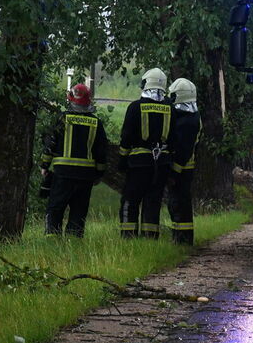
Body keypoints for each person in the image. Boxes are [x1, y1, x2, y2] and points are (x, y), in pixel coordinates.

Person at [40, 83, 107, 238]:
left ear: (70, 99)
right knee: (79, 211)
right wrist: (99, 173)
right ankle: (74, 242)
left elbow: (50, 144)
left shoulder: (62, 119)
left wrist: (44, 165)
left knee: (55, 208)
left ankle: (52, 240)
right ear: (88, 101)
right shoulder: (96, 123)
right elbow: (101, 152)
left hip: (62, 174)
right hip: (85, 176)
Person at [118, 68, 172, 239]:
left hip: (138, 164)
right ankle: (151, 237)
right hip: (162, 163)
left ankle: (129, 236)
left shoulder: (135, 107)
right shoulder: (171, 108)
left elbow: (126, 136)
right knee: (153, 201)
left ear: (145, 83)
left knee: (130, 200)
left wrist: (122, 159)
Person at [166, 78, 201, 245]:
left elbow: (184, 149)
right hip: (184, 168)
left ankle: (183, 240)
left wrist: (174, 171)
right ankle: (180, 238)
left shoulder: (188, 120)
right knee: (177, 204)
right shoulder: (191, 115)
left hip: (182, 169)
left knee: (180, 204)